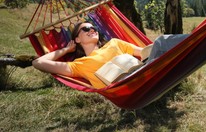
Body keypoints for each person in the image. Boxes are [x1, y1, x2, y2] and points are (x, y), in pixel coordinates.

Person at [32, 22, 188, 89]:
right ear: (77, 39)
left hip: (145, 72)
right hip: (123, 89)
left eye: (93, 28)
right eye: (86, 29)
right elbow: (38, 62)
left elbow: (145, 53)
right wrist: (66, 50)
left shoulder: (115, 43)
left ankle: (200, 38)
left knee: (160, 42)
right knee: (161, 43)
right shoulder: (79, 64)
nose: (92, 30)